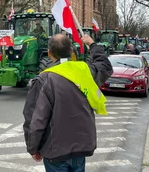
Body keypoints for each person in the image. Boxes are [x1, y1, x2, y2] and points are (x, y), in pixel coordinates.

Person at [23, 34, 113, 172]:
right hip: (80, 150)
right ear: (71, 51)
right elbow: (105, 66)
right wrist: (92, 44)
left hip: (55, 152)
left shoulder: (43, 80)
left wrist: (33, 148)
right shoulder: (85, 72)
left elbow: (35, 119)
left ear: (49, 53)